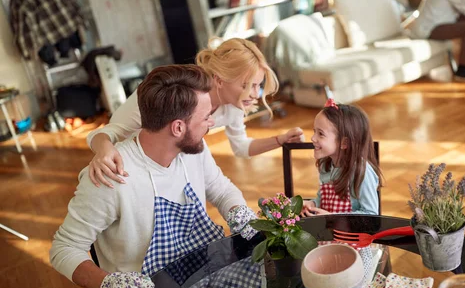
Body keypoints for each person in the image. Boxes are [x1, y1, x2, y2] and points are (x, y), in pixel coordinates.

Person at [50, 64, 322, 288]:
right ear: (178, 127)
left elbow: (219, 186)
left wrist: (238, 211)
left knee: (308, 280)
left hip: (210, 280)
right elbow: (64, 247)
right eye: (206, 117)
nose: (212, 122)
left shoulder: (194, 150)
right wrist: (108, 284)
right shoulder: (110, 177)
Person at [87, 38, 304, 188]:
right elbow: (108, 133)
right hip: (126, 163)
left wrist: (280, 140)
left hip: (168, 163)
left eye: (258, 85)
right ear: (220, 79)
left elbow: (241, 147)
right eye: (247, 85)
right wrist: (104, 148)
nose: (255, 95)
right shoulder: (171, 92)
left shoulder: (233, 105)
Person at [301, 99, 383, 217]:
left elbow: (370, 215)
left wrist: (333, 218)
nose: (313, 138)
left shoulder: (362, 172)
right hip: (330, 230)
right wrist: (313, 203)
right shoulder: (326, 165)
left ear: (344, 143)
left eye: (320, 134)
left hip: (352, 234)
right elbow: (323, 198)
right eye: (314, 131)